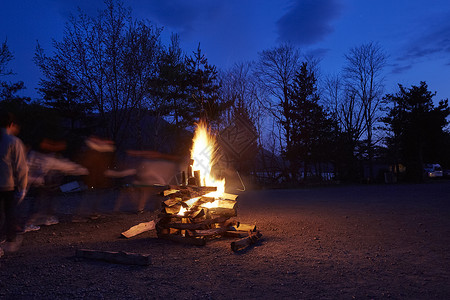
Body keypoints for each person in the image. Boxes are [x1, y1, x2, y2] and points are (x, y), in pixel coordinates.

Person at [0, 112, 28, 253]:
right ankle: (9, 241)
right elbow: (20, 166)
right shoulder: (13, 141)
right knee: (9, 212)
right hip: (6, 184)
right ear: (11, 125)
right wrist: (22, 187)